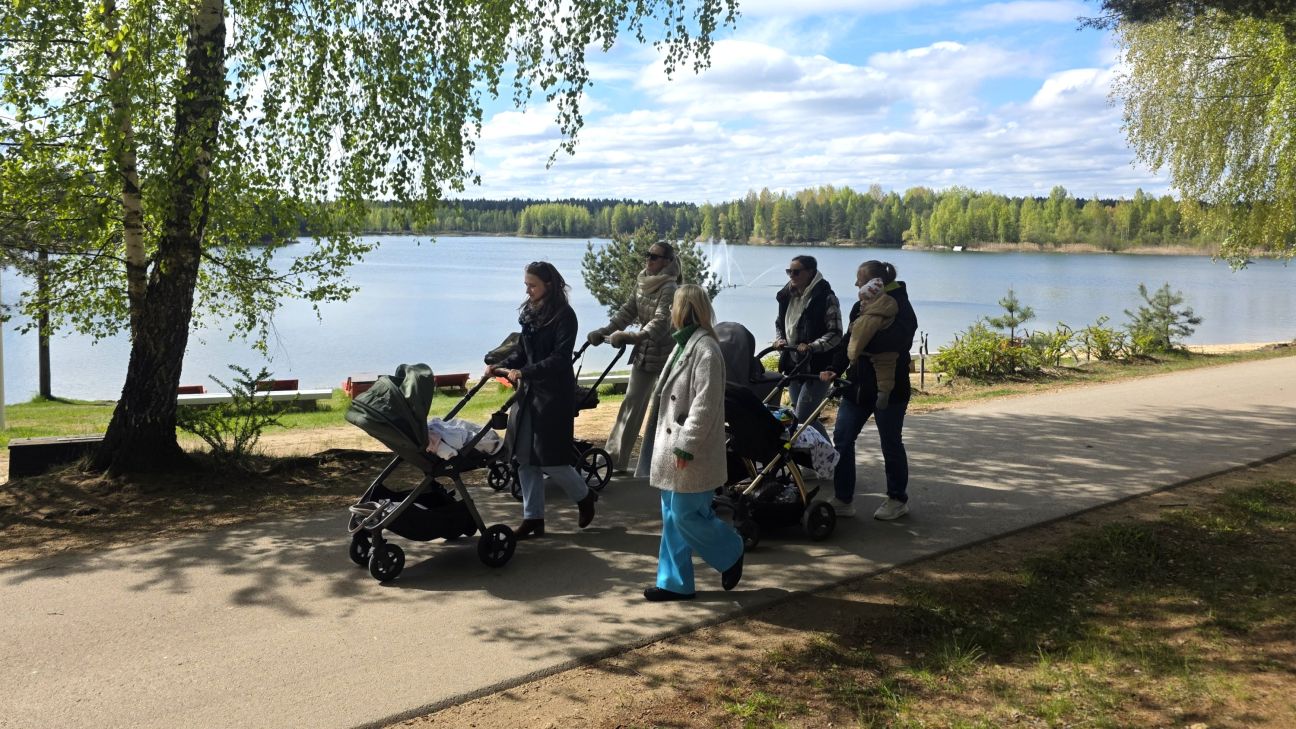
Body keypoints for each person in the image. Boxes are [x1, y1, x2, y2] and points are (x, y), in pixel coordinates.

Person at [637, 284, 744, 601]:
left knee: (685, 514)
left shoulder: (705, 349)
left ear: (684, 310)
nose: (670, 312)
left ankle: (731, 549)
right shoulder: (684, 344)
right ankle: (674, 583)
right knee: (672, 516)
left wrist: (687, 445)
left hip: (691, 452)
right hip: (674, 450)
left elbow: (705, 404)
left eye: (673, 306)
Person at [487, 261, 597, 539]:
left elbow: (560, 359)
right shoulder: (530, 313)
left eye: (532, 285)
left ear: (548, 284)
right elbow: (522, 352)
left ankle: (584, 497)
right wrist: (499, 365)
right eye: (526, 285)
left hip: (554, 395)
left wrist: (524, 372)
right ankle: (533, 517)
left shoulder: (565, 316)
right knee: (524, 459)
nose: (528, 290)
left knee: (550, 459)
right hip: (529, 395)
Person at [820, 260, 917, 520]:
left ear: (876, 283)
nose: (855, 284)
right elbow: (846, 343)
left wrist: (864, 343)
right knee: (842, 438)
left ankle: (897, 499)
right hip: (857, 387)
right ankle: (843, 499)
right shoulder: (858, 307)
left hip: (889, 388)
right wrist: (834, 368)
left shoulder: (901, 307)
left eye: (860, 280)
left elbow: (898, 341)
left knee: (890, 443)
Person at [586, 241, 682, 473]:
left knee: (665, 410)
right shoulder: (642, 281)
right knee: (631, 403)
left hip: (667, 354)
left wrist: (632, 337)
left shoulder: (670, 287)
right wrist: (605, 331)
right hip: (644, 352)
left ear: (667, 262)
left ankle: (659, 464)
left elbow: (661, 321)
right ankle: (614, 459)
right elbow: (628, 310)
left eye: (654, 257)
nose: (648, 260)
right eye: (647, 255)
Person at [774, 255, 842, 437]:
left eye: (796, 272)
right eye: (789, 271)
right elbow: (780, 323)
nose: (791, 276)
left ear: (810, 273)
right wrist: (780, 339)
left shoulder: (826, 298)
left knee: (802, 418)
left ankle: (829, 458)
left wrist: (812, 346)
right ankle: (819, 458)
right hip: (794, 365)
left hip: (817, 367)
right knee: (803, 418)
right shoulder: (787, 297)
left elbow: (835, 333)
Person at [845, 277, 900, 410]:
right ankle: (884, 392)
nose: (861, 303)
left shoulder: (870, 317)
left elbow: (858, 339)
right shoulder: (889, 306)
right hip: (891, 354)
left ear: (873, 300)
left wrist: (852, 357)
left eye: (864, 299)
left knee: (882, 372)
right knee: (886, 373)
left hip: (875, 356)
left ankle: (882, 395)